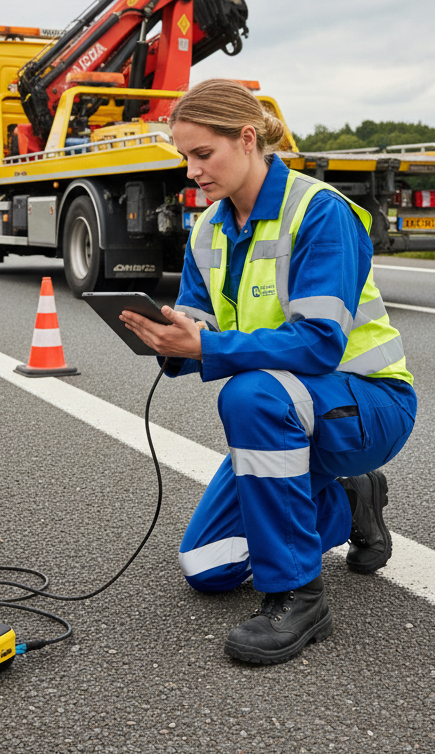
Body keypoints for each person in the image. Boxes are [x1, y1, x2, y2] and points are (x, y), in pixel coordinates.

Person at [120, 79, 417, 665]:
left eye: (203, 154)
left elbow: (318, 345)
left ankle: (297, 597)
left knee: (249, 395)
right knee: (207, 567)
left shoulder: (320, 213)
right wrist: (172, 343)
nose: (191, 171)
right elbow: (200, 323)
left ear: (248, 139)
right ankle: (352, 502)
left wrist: (208, 349)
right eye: (184, 157)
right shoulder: (208, 229)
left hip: (367, 406)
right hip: (293, 409)